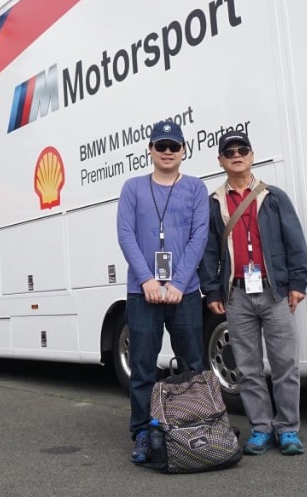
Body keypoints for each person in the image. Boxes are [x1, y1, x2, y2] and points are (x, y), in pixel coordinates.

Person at [200, 130, 307, 456]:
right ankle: (261, 429)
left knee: (285, 365)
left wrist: (298, 283)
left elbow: (295, 241)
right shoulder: (214, 203)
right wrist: (212, 290)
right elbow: (209, 251)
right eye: (229, 152)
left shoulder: (274, 197)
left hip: (274, 293)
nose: (236, 155)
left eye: (242, 150)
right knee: (248, 369)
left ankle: (288, 430)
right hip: (237, 296)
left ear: (252, 155)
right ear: (220, 160)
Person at [117, 118, 210, 464]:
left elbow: (199, 237)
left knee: (193, 365)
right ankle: (142, 431)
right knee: (142, 366)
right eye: (161, 146)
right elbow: (126, 235)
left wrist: (178, 283)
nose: (167, 151)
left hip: (184, 293)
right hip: (142, 293)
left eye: (174, 146)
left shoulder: (196, 189)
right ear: (150, 150)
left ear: (183, 150)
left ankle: (197, 426)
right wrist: (147, 280)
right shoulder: (132, 188)